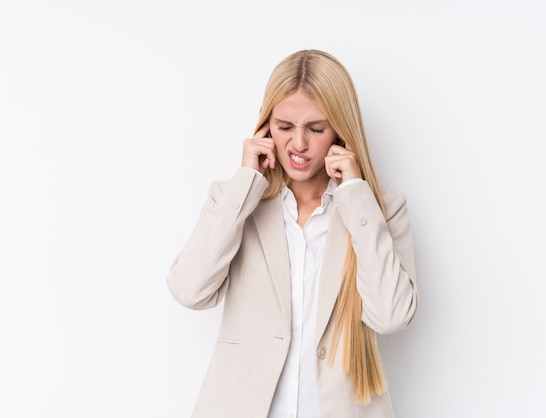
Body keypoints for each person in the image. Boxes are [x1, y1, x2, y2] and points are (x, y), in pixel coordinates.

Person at [167, 49, 418, 418]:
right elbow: (189, 290)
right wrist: (246, 184)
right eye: (285, 127)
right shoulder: (236, 202)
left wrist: (355, 196)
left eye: (316, 129)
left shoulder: (379, 211)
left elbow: (392, 316)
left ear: (340, 132)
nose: (298, 144)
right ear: (266, 127)